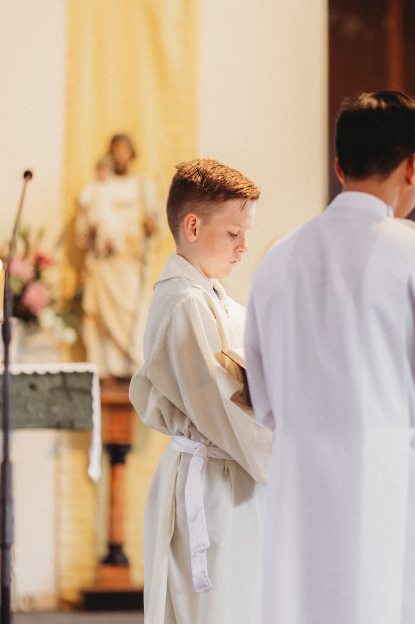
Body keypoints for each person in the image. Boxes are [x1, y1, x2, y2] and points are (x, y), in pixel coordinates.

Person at [244, 91, 415, 623]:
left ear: (340, 166)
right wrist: (403, 416)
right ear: (412, 167)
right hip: (396, 486)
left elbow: (263, 397)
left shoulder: (278, 261)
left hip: (302, 494)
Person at [129, 159, 271, 623]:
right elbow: (223, 410)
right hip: (211, 484)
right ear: (192, 226)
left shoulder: (211, 295)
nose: (243, 246)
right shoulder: (185, 302)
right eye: (233, 233)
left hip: (231, 476)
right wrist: (294, 464)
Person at [75, 133, 160, 379]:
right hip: (105, 263)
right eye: (116, 150)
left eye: (125, 150)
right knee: (103, 317)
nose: (120, 155)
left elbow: (156, 225)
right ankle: (108, 368)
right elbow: (83, 225)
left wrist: (151, 229)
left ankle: (132, 365)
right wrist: (89, 231)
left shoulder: (143, 187)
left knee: (132, 313)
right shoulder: (99, 186)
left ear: (132, 153)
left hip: (130, 262)